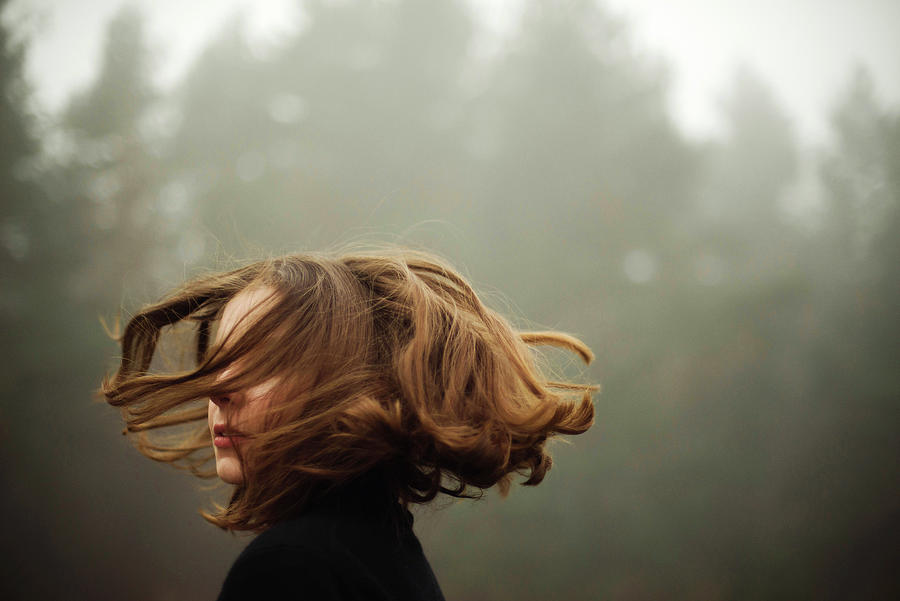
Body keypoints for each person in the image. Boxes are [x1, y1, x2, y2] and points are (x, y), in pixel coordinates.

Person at [101, 248, 596, 600]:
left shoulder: (293, 569)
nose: (218, 389)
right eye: (219, 359)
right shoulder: (385, 555)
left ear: (346, 385)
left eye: (261, 362)